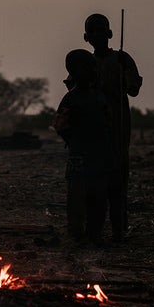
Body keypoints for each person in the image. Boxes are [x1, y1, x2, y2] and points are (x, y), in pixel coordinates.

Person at [83, 13, 142, 242]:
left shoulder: (122, 59)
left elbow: (134, 89)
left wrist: (126, 79)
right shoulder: (84, 62)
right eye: (93, 31)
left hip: (117, 129)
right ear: (86, 37)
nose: (98, 35)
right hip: (92, 130)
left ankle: (119, 229)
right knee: (93, 181)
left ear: (110, 34)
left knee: (118, 179)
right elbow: (73, 89)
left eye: (101, 30)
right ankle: (93, 229)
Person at [52, 49, 115, 247]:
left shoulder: (98, 97)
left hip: (97, 155)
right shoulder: (72, 98)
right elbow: (60, 125)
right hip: (81, 156)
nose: (91, 71)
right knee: (78, 200)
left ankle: (94, 234)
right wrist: (73, 140)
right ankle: (78, 236)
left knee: (97, 199)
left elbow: (108, 121)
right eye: (86, 67)